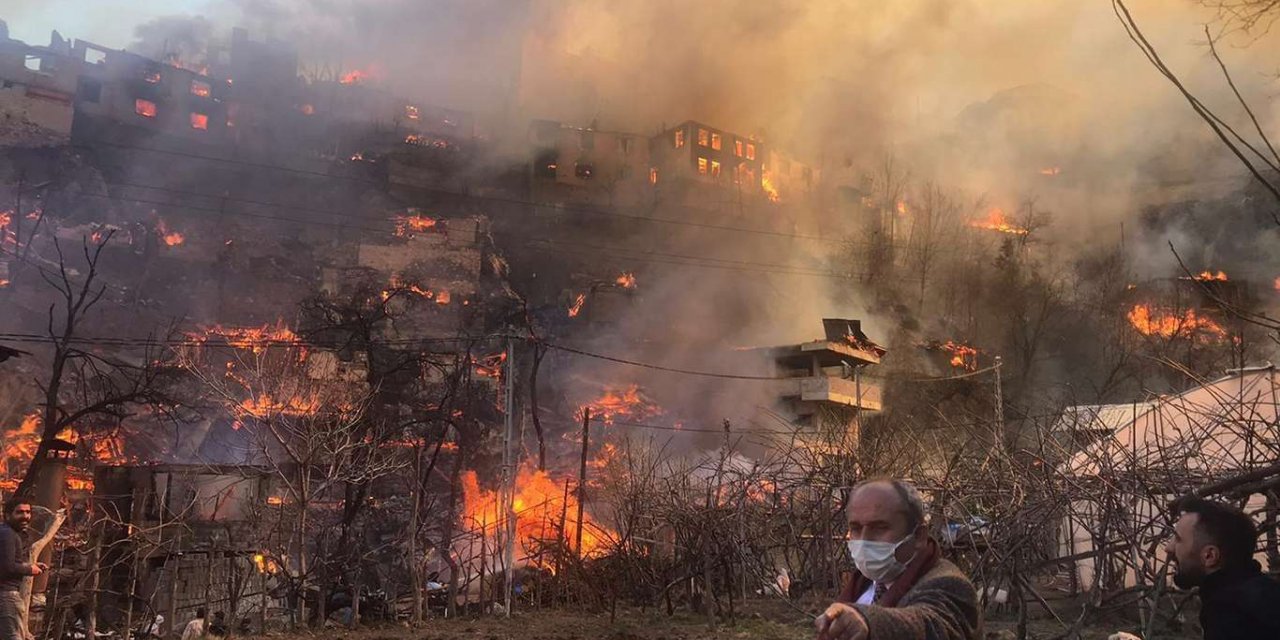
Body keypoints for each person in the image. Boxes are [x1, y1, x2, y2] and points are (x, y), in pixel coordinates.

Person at [815, 479, 981, 640]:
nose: (864, 540)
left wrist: (868, 622)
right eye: (856, 528)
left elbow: (928, 626)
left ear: (918, 537)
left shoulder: (951, 584)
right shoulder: (863, 583)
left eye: (880, 528)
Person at [1165, 497, 1280, 639]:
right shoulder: (1266, 594)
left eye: (1178, 539)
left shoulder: (1229, 614)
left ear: (1209, 556)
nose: (1168, 548)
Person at [1, 500, 45, 640]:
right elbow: (7, 567)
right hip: (6, 596)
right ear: (7, 515)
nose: (25, 516)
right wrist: (30, 569)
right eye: (19, 512)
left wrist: (29, 565)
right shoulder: (8, 535)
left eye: (28, 512)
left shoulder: (4, 532)